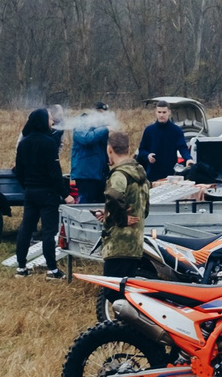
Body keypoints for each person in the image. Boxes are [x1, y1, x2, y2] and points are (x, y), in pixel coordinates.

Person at [13, 107, 66, 277]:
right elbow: (55, 173)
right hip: (48, 194)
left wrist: (27, 186)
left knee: (26, 229)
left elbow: (18, 171)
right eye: (50, 118)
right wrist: (66, 194)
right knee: (49, 232)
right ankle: (52, 269)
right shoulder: (49, 143)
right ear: (43, 121)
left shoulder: (23, 143)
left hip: (30, 192)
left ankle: (21, 267)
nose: (52, 122)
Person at [101, 129, 150, 266]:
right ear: (128, 148)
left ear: (109, 150)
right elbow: (145, 210)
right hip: (135, 245)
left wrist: (121, 218)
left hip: (118, 246)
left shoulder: (119, 175)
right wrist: (108, 214)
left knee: (113, 287)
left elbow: (113, 195)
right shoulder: (140, 173)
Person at [135, 101, 191, 179]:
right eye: (159, 112)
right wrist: (147, 156)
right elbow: (141, 150)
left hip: (170, 174)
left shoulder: (176, 130)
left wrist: (188, 159)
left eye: (164, 112)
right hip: (152, 173)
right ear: (156, 112)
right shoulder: (149, 130)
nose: (161, 115)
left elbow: (183, 148)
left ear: (169, 112)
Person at [68, 105, 112, 203]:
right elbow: (87, 139)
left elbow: (101, 147)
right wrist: (105, 129)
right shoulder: (82, 123)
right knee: (86, 206)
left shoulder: (99, 127)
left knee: (100, 205)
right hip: (86, 175)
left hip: (100, 174)